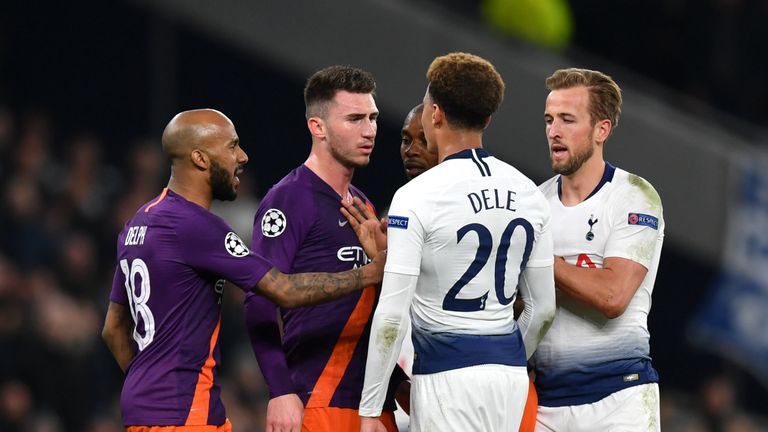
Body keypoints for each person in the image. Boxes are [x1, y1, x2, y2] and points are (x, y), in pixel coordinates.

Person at [101, 109, 386, 432]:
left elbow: (113, 328)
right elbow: (283, 290)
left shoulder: (138, 223)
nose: (243, 156)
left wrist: (149, 388)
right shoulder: (196, 226)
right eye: (232, 146)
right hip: (185, 413)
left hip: (147, 410)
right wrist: (370, 273)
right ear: (200, 158)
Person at [357, 52, 556, 432]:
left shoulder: (418, 195)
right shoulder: (529, 192)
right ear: (487, 119)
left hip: (445, 376)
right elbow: (542, 309)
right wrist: (504, 358)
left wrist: (369, 410)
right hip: (509, 380)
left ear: (435, 114)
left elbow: (392, 315)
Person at [243, 66, 408, 432]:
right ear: (317, 127)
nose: (369, 131)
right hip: (318, 399)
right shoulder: (288, 200)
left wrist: (395, 390)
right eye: (354, 119)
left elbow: (373, 314)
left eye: (373, 118)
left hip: (372, 408)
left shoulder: (362, 206)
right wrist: (279, 391)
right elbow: (260, 301)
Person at [531, 68, 665, 431]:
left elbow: (612, 296)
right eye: (549, 119)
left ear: (601, 130)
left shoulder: (634, 196)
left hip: (619, 400)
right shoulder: (534, 204)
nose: (553, 131)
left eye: (567, 120)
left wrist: (542, 259)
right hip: (546, 403)